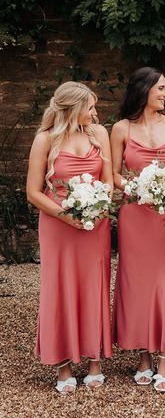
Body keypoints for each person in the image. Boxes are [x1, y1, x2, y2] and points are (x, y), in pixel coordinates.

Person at [26, 81, 112, 394]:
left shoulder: (99, 135)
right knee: (59, 285)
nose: (95, 112)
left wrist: (98, 211)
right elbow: (33, 192)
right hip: (58, 224)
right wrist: (65, 215)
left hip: (94, 225)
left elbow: (109, 182)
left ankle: (93, 359)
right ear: (73, 108)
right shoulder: (45, 139)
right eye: (90, 107)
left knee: (93, 285)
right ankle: (62, 362)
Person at [111, 67, 165, 391]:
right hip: (135, 214)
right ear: (144, 90)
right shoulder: (120, 129)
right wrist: (135, 186)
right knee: (137, 281)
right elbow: (112, 173)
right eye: (162, 89)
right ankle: (143, 355)